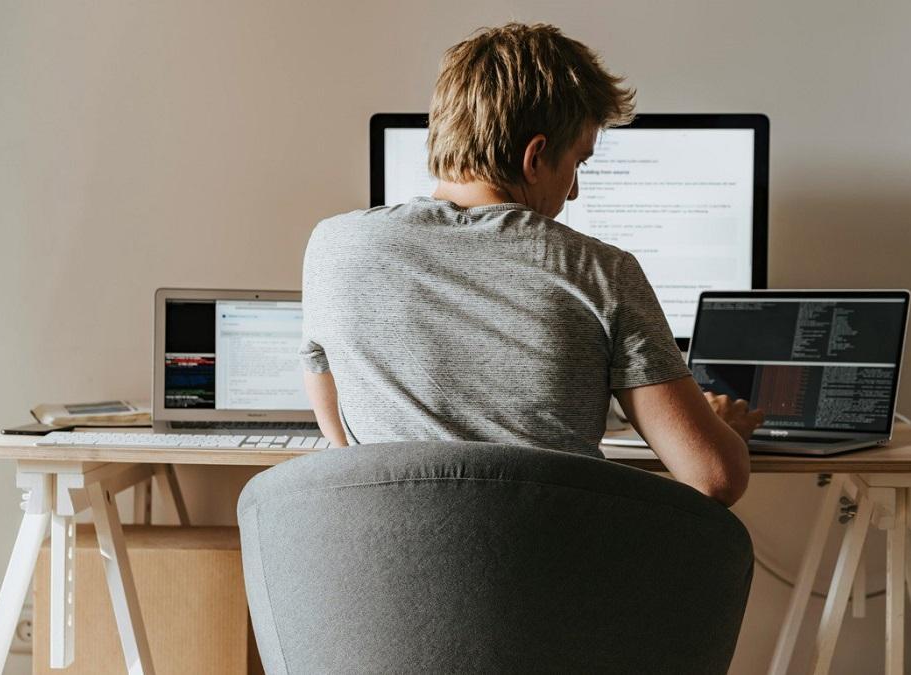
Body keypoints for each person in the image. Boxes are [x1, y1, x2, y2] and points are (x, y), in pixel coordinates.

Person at [300, 22, 762, 505]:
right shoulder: (601, 270)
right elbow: (714, 477)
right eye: (578, 163)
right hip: (552, 554)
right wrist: (721, 429)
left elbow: (345, 446)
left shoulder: (333, 246)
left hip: (384, 550)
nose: (574, 191)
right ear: (535, 156)